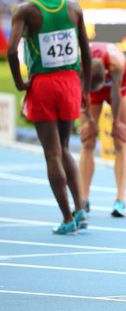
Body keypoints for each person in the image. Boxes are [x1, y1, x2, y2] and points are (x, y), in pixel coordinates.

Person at [7, 0, 90, 234]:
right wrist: (84, 91)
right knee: (64, 148)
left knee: (52, 153)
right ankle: (80, 208)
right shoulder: (73, 8)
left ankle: (67, 218)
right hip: (70, 83)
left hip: (42, 84)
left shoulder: (26, 10)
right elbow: (86, 50)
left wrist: (19, 83)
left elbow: (12, 51)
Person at [79, 42, 126, 217]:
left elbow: (115, 93)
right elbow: (79, 96)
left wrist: (116, 122)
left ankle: (120, 199)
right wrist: (89, 120)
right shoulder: (79, 64)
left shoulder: (116, 63)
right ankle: (84, 198)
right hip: (91, 88)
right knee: (87, 140)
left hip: (119, 87)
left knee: (121, 138)